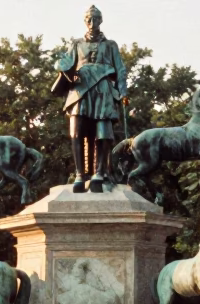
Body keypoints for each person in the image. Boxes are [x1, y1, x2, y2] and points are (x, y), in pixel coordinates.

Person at [52, 5, 128, 193]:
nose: (92, 23)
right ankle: (80, 174)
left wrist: (123, 92)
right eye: (88, 19)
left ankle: (99, 173)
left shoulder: (110, 45)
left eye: (95, 19)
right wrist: (65, 70)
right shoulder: (77, 44)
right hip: (81, 91)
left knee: (103, 133)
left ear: (101, 21)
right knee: (77, 132)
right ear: (84, 21)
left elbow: (120, 70)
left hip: (103, 90)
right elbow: (65, 65)